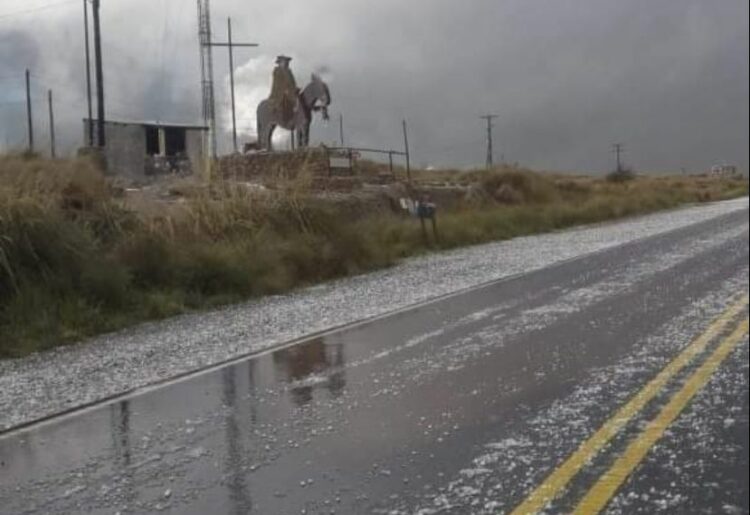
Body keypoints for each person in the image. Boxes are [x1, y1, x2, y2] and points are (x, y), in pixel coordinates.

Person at [270, 55, 298, 124]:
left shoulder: (289, 72)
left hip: (290, 91)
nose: (287, 63)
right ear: (280, 63)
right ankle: (285, 119)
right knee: (284, 102)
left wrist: (295, 88)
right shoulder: (277, 71)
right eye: (285, 62)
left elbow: (293, 82)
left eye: (287, 62)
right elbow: (277, 84)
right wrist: (285, 90)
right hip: (278, 92)